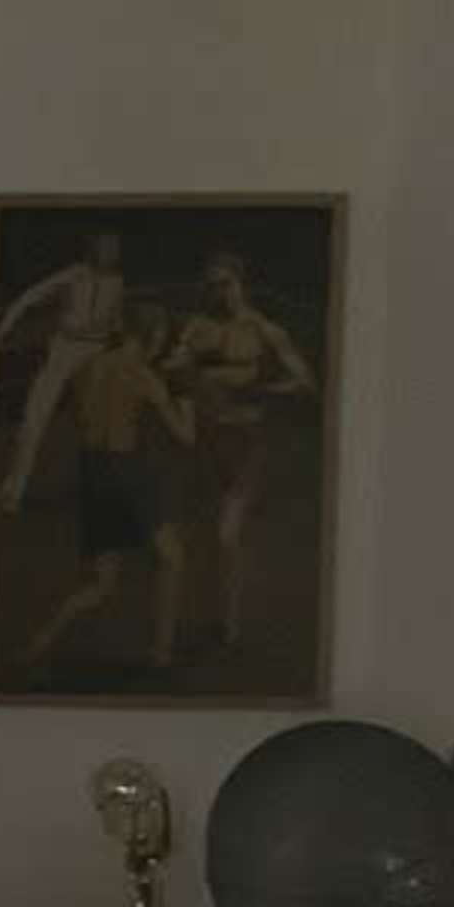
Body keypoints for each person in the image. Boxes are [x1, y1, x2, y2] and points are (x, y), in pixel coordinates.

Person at [19, 301, 193, 676]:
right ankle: (161, 653)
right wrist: (184, 392)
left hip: (92, 471)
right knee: (173, 558)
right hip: (124, 471)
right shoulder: (144, 375)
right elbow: (185, 436)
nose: (162, 344)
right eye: (161, 337)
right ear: (152, 335)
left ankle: (38, 644)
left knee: (102, 585)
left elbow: (85, 419)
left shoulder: (87, 369)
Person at [162, 247, 314, 655]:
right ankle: (187, 624)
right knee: (189, 534)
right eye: (212, 286)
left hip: (245, 440)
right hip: (202, 440)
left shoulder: (264, 330)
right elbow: (172, 368)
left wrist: (259, 388)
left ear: (240, 283)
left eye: (226, 283)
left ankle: (228, 625)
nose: (220, 292)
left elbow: (303, 380)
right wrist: (182, 372)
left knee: (227, 535)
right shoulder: (197, 328)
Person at [0, 230, 123, 513]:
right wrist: (3, 327)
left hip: (96, 352)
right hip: (64, 351)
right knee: (34, 418)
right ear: (93, 248)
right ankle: (12, 491)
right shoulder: (74, 275)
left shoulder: (117, 283)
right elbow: (30, 296)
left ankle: (104, 491)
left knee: (101, 422)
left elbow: (115, 322)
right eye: (106, 246)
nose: (112, 252)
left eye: (115, 247)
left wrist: (113, 336)